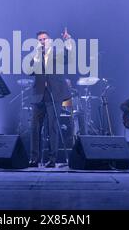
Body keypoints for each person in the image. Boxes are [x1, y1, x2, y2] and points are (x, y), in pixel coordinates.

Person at [29, 28, 73, 168]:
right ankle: (34, 159)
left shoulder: (57, 54)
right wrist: (36, 55)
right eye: (40, 40)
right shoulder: (36, 56)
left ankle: (52, 159)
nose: (42, 41)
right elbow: (29, 71)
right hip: (39, 95)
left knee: (52, 127)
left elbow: (68, 57)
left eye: (44, 39)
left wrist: (68, 40)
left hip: (54, 94)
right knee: (35, 127)